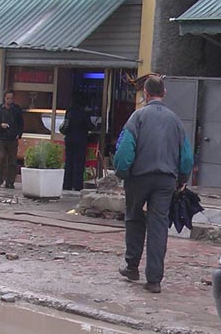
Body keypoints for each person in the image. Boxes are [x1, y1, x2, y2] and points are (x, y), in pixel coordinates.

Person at [113, 74, 193, 294]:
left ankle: (131, 266)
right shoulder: (175, 121)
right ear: (164, 93)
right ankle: (154, 280)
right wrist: (182, 179)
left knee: (134, 217)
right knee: (158, 226)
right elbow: (186, 156)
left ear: (145, 94)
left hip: (139, 177)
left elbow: (125, 150)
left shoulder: (137, 117)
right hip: (166, 179)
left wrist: (123, 173)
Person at [0, 90, 24, 189]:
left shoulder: (16, 109)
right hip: (1, 137)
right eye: (8, 98)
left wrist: (19, 134)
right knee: (1, 158)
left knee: (12, 161)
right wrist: (0, 125)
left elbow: (21, 123)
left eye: (11, 98)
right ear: (4, 98)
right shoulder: (0, 109)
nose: (9, 101)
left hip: (13, 138)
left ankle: (10, 182)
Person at [61, 96, 95, 192]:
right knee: (79, 163)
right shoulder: (84, 113)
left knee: (68, 162)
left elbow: (65, 125)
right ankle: (77, 185)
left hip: (69, 139)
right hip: (80, 140)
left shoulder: (69, 111)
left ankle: (67, 184)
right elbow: (89, 126)